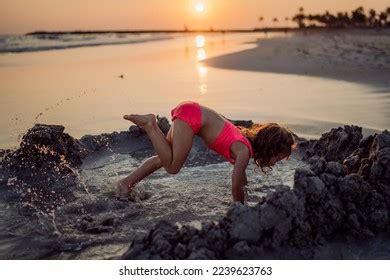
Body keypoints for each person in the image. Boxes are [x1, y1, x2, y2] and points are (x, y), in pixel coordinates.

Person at [117, 101, 295, 203]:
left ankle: (126, 183)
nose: (273, 163)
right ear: (270, 148)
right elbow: (236, 183)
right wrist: (240, 208)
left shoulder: (243, 145)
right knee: (172, 167)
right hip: (193, 118)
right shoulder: (243, 151)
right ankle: (151, 125)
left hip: (192, 111)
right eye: (276, 158)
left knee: (164, 158)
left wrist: (247, 192)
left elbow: (242, 180)